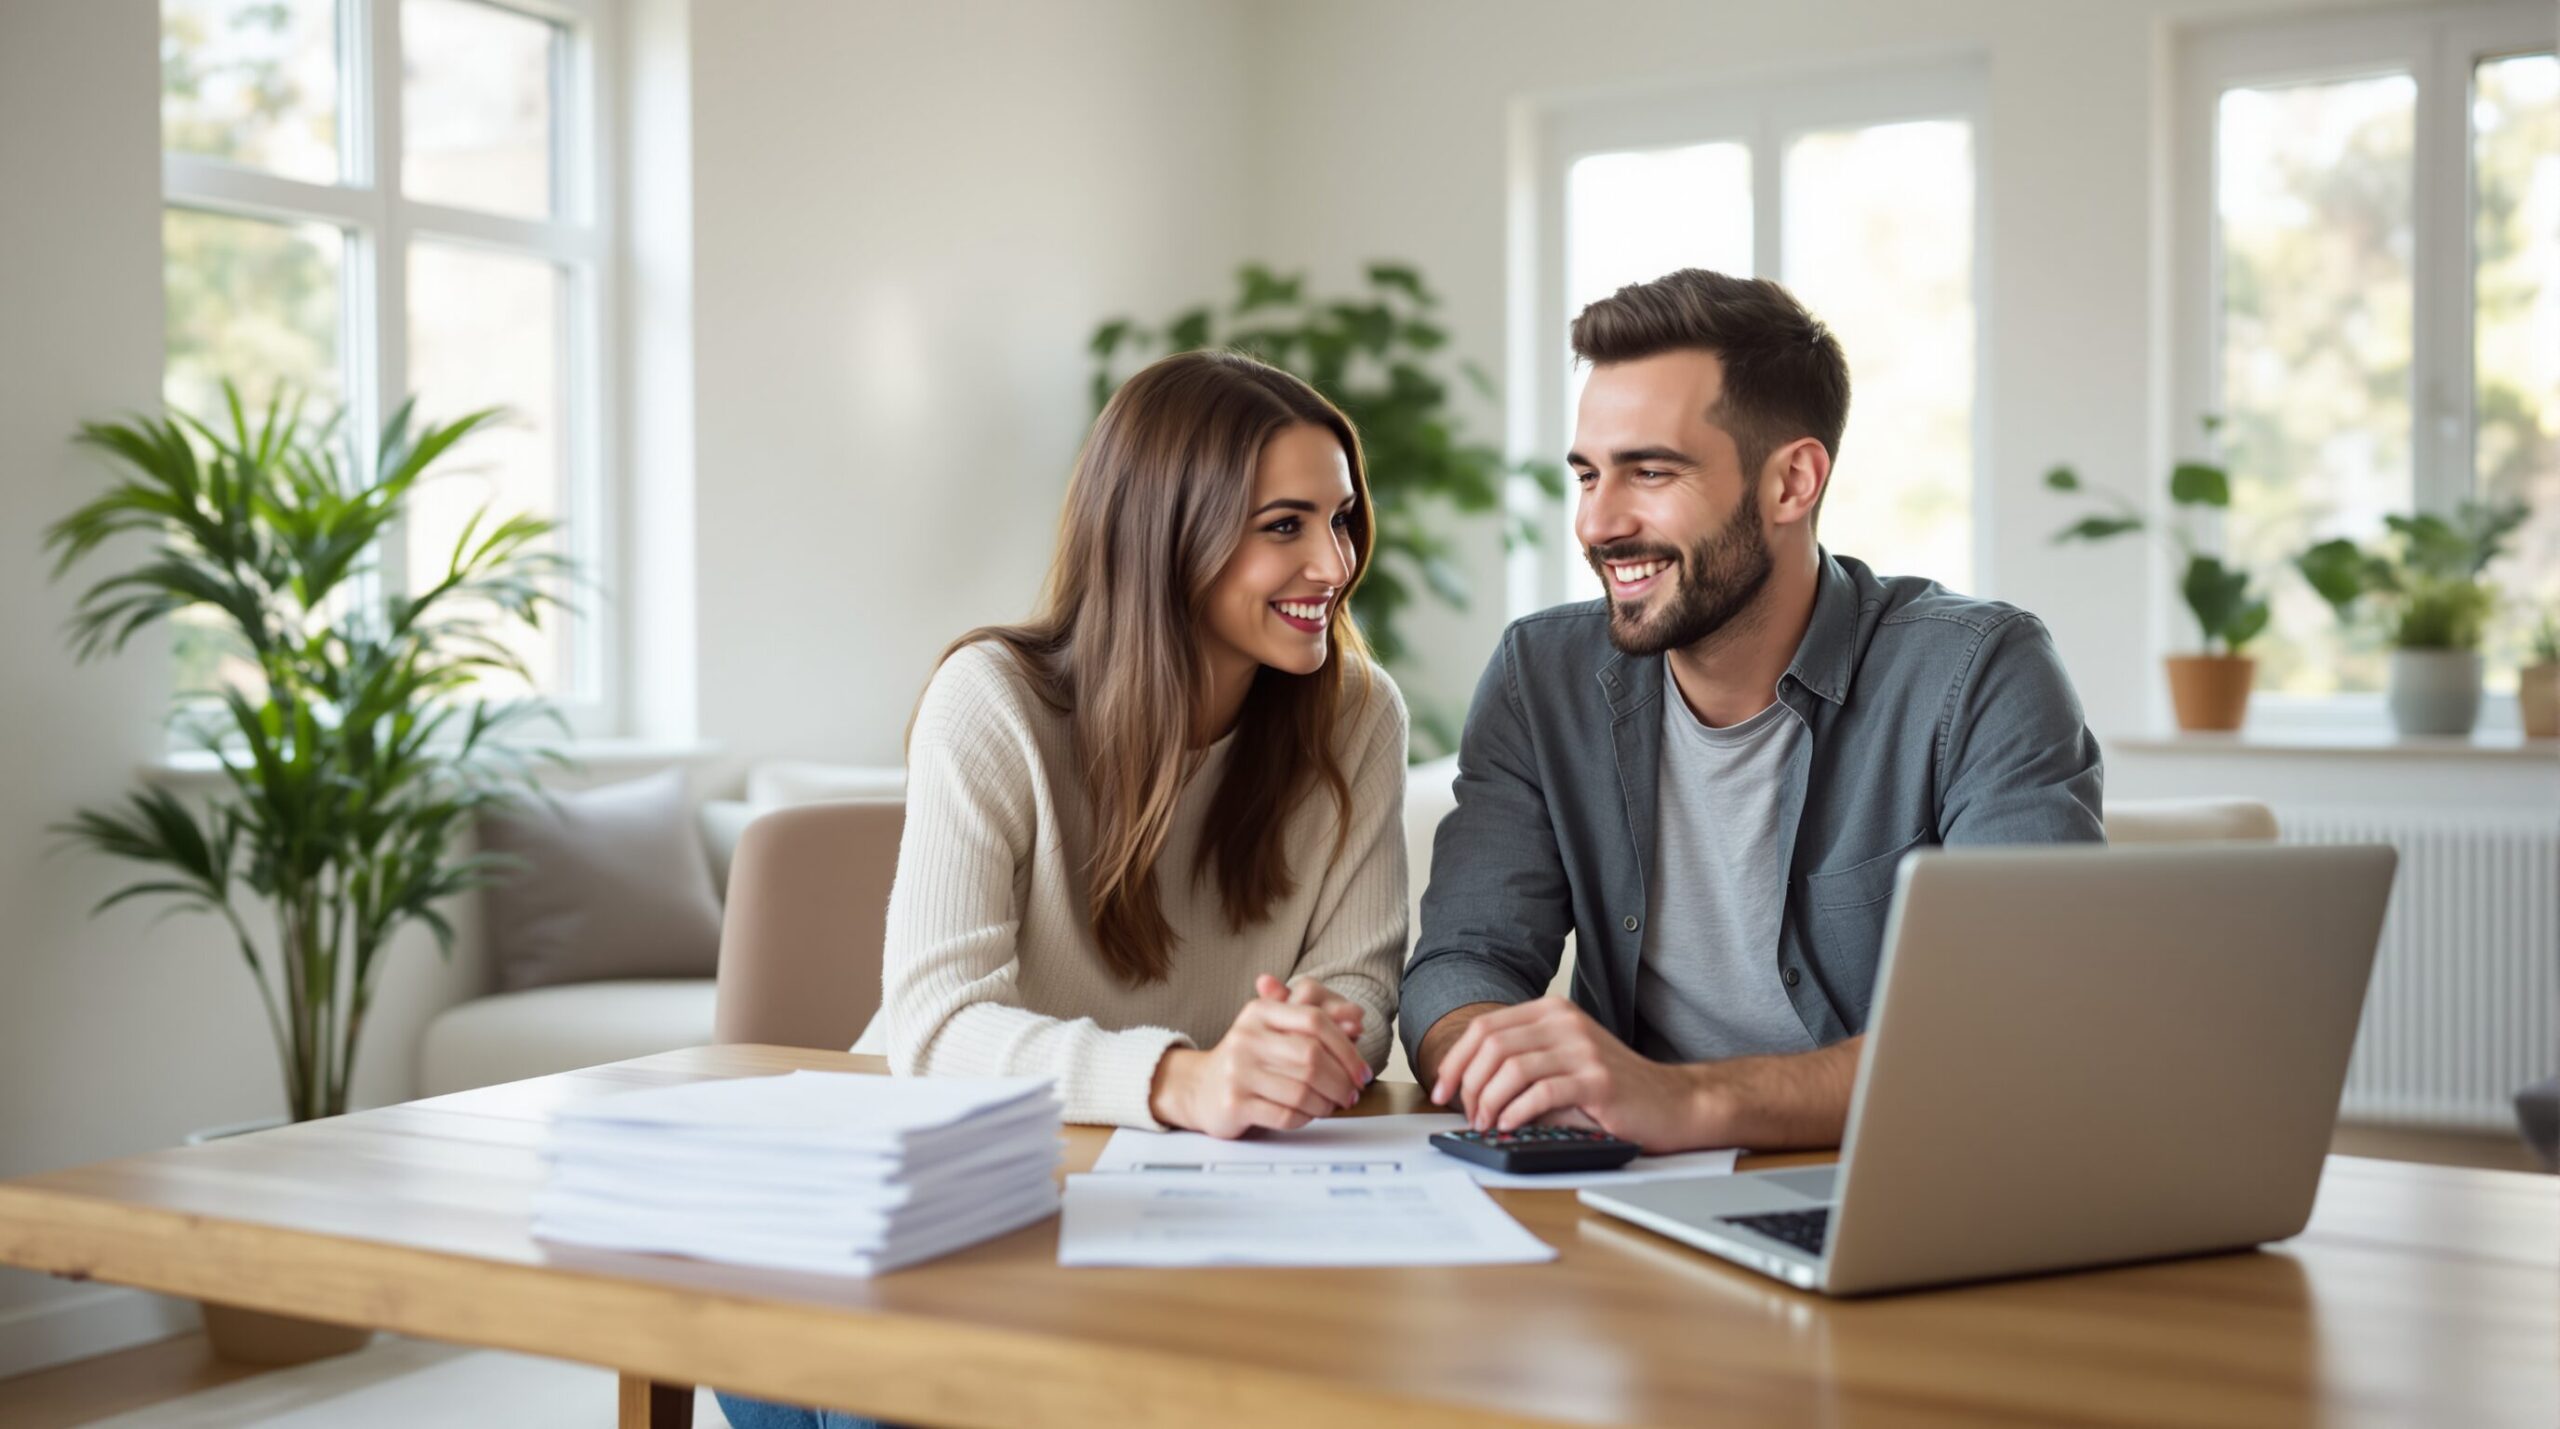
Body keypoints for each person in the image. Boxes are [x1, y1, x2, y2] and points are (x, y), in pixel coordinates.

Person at [717, 348, 1409, 1429]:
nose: (1334, 561)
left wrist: (1305, 1045)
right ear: (1166, 535)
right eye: (1285, 525)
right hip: (898, 1198)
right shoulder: (993, 701)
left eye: (1342, 518)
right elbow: (937, 1027)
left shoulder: (1357, 715)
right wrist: (1184, 1080)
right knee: (909, 1391)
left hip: (1154, 1196)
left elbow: (1358, 982)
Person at [1401, 268, 2103, 1157]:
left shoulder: (1977, 673)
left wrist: (1686, 1100)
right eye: (1587, 475)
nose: (1597, 523)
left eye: (1650, 471)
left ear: (1791, 482)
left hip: (1898, 1176)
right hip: (1629, 1184)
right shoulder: (1540, 678)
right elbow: (1463, 961)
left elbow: (2019, 1020)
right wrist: (1492, 1055)